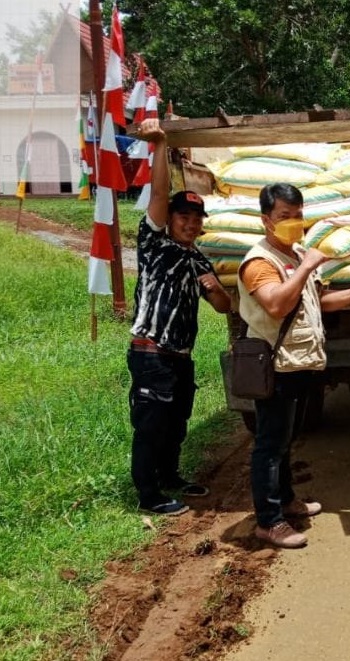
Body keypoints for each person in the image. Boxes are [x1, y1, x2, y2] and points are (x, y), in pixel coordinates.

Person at [238, 183, 350, 549]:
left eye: (298, 216)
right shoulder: (259, 262)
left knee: (286, 440)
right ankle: (269, 522)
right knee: (269, 444)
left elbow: (314, 300)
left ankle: (285, 500)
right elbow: (277, 305)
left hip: (299, 362)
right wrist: (308, 266)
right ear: (266, 220)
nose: (294, 223)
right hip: (274, 365)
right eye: (285, 217)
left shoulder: (297, 254)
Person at [127, 118, 232, 516]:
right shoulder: (154, 243)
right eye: (183, 217)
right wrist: (160, 145)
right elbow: (157, 191)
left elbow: (223, 307)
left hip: (180, 356)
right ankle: (148, 495)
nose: (190, 223)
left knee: (176, 422)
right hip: (151, 352)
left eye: (196, 219)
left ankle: (169, 475)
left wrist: (216, 289)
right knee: (151, 425)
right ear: (170, 219)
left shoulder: (198, 258)